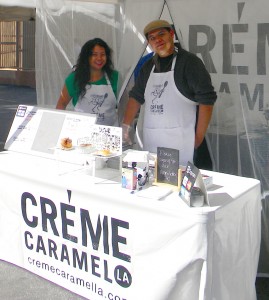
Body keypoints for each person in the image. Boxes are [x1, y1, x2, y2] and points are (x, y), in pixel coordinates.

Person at [122, 20, 217, 166]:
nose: (158, 40)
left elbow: (207, 100)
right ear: (149, 43)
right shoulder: (148, 67)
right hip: (153, 143)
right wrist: (126, 126)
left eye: (162, 34)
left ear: (171, 34)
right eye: (152, 38)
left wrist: (198, 137)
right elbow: (136, 96)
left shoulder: (190, 63)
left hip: (183, 144)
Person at [56, 38, 119, 126]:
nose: (99, 58)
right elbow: (61, 105)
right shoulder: (74, 79)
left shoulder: (115, 77)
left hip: (110, 132)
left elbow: (124, 106)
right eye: (94, 54)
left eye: (103, 54)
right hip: (82, 132)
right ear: (86, 57)